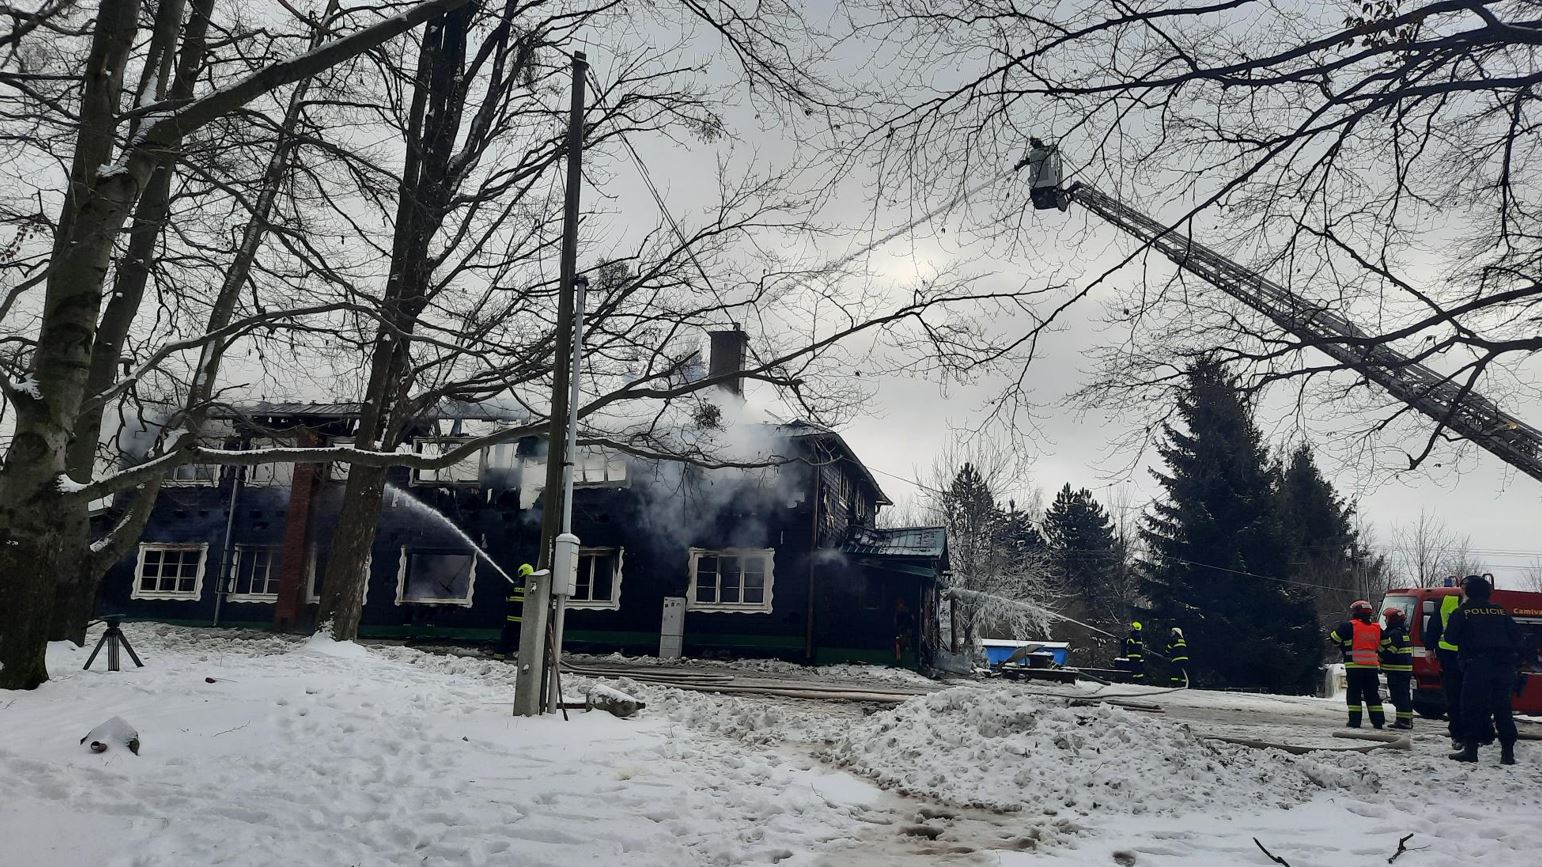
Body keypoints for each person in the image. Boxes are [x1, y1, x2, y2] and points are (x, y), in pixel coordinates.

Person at [1444, 575, 1523, 765]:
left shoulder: (1463, 612)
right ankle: (1508, 753)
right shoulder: (1500, 611)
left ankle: (1470, 750)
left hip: (1477, 666)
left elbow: (1450, 638)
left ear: (1468, 591)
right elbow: (1517, 636)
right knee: (1503, 709)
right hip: (1504, 666)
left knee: (1471, 707)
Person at [1424, 584, 1487, 750]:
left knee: (1474, 698)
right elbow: (1434, 625)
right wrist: (1429, 647)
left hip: (1472, 657)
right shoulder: (1448, 601)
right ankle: (1459, 735)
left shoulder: (1483, 606)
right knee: (1454, 698)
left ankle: (1477, 735)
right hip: (1451, 657)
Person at [1329, 600, 1386, 729]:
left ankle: (1354, 721)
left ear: (1355, 612)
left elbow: (1334, 638)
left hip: (1354, 666)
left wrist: (1345, 644)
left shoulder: (1348, 626)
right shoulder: (1377, 628)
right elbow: (1385, 645)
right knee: (1372, 695)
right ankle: (1378, 721)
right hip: (1371, 667)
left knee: (1354, 694)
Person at [1380, 607, 1415, 730]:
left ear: (1392, 620)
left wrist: (1379, 656)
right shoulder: (1402, 632)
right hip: (1403, 670)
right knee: (1403, 696)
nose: (1385, 621)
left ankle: (1404, 721)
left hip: (1397, 671)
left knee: (1399, 697)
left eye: (1387, 618)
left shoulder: (1395, 633)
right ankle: (1405, 720)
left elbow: (1391, 652)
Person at [493, 563, 535, 661]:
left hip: (511, 620)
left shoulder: (512, 586)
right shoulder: (533, 588)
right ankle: (523, 659)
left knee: (505, 639)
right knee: (525, 641)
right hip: (525, 622)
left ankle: (498, 657)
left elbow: (507, 600)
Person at [893, 599, 916, 665]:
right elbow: (895, 623)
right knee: (897, 642)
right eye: (899, 604)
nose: (900, 605)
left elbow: (911, 623)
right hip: (899, 632)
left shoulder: (908, 613)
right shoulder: (897, 613)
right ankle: (898, 657)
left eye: (901, 603)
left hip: (906, 631)